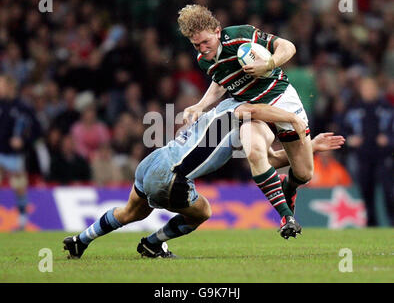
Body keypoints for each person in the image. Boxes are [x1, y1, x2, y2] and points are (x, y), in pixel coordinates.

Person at [63, 99, 345, 259]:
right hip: (171, 175)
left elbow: (270, 159)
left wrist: (312, 147)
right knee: (203, 212)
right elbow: (255, 113)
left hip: (153, 162)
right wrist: (294, 120)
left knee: (128, 213)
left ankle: (81, 240)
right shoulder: (238, 109)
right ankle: (152, 243)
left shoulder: (225, 116)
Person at [178, 4, 314, 225]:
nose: (202, 48)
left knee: (304, 173)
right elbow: (221, 82)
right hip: (254, 111)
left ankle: (289, 186)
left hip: (280, 98)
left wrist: (269, 63)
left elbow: (287, 46)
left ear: (217, 31)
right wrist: (200, 105)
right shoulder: (204, 61)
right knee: (254, 152)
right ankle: (287, 218)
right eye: (196, 45)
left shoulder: (241, 36)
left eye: (206, 42)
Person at [342, 77, 394, 226]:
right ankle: (371, 223)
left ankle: (392, 221)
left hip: (384, 157)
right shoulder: (354, 109)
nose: (368, 92)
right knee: (366, 191)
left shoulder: (387, 108)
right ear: (361, 91)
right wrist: (350, 140)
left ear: (376, 90)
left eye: (371, 88)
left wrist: (389, 140)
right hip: (363, 156)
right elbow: (342, 131)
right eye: (365, 89)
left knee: (389, 192)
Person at [0, 75, 40, 230]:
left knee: (19, 187)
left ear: (10, 87)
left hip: (15, 155)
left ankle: (23, 220)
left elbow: (37, 131)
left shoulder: (24, 107)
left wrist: (23, 141)